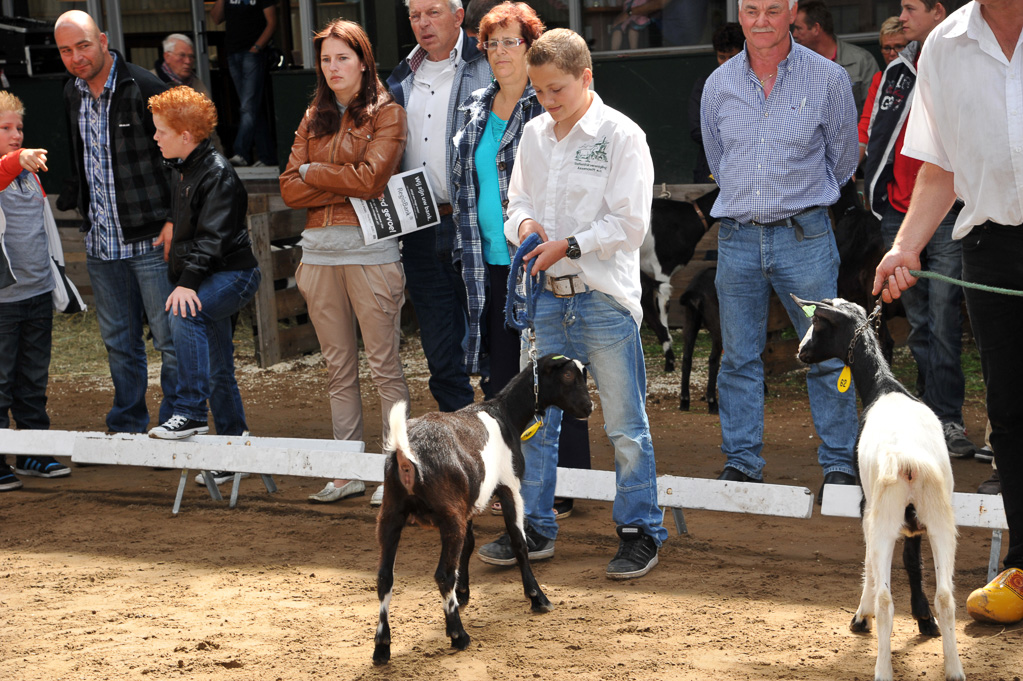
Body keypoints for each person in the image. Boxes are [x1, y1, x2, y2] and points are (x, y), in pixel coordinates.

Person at [477, 28, 668, 580]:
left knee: (626, 425)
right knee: (534, 422)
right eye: (538, 91)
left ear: (588, 78)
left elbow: (631, 223)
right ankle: (534, 526)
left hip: (603, 298)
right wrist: (528, 226)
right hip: (546, 298)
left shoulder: (621, 135)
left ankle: (640, 531)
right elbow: (516, 201)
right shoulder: (534, 134)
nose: (547, 101)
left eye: (557, 89)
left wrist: (570, 245)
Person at [872, 0, 1023, 626]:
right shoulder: (942, 46)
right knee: (1012, 413)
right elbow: (940, 167)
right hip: (991, 246)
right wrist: (905, 247)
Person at [700, 0, 859, 497]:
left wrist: (801, 203)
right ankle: (742, 462)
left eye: (773, 8)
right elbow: (716, 157)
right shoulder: (717, 85)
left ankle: (839, 465)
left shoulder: (828, 79)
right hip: (738, 240)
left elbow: (845, 158)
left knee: (829, 355)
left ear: (792, 11)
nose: (761, 19)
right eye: (751, 10)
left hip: (805, 238)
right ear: (740, 15)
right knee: (737, 357)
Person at [451, 1, 589, 521]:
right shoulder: (474, 107)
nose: (501, 52)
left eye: (513, 41)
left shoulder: (548, 104)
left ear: (532, 50)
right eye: (492, 42)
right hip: (482, 264)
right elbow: (464, 185)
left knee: (556, 375)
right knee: (502, 381)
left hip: (539, 266)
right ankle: (509, 483)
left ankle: (565, 487)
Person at [280, 20, 410, 504]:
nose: (333, 68)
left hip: (371, 252)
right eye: (326, 59)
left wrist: (315, 171)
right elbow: (289, 187)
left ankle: (392, 472)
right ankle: (345, 469)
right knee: (338, 366)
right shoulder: (313, 115)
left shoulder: (387, 112)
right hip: (317, 254)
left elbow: (373, 180)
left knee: (385, 366)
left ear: (363, 60)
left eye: (343, 57)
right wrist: (336, 175)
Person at [55, 10, 179, 436]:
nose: (76, 57)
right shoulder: (71, 92)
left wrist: (174, 219)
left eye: (83, 46)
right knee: (119, 343)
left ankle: (175, 423)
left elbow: (183, 156)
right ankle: (127, 423)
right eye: (66, 50)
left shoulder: (144, 86)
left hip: (149, 240)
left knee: (169, 340)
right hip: (102, 243)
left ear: (103, 40)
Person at [861, 0, 976, 459]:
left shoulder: (961, 61)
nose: (902, 17)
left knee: (946, 319)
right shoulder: (897, 70)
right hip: (898, 213)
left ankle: (948, 419)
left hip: (948, 212)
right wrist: (877, 190)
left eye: (911, 8)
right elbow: (875, 133)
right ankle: (930, 417)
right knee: (920, 323)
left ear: (939, 12)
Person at [386, 0, 492, 414]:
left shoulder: (486, 65)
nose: (423, 23)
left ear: (458, 15)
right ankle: (458, 433)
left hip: (474, 222)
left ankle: (501, 440)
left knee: (491, 336)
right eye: (415, 15)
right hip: (418, 225)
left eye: (433, 12)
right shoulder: (401, 77)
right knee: (439, 346)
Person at [145, 86, 260, 445]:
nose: (155, 136)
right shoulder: (186, 169)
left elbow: (213, 239)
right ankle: (232, 446)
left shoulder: (216, 173)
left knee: (184, 313)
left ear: (185, 135)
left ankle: (191, 412)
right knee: (219, 366)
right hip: (214, 273)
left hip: (233, 273)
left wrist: (187, 282)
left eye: (161, 130)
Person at [0, 93, 84, 491]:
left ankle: (32, 450)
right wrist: (16, 160)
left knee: (32, 379)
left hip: (35, 294)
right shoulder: (13, 166)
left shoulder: (28, 173)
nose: (16, 135)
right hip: (3, 302)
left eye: (19, 128)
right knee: (0, 380)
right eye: (5, 128)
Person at [210, 0, 277, 168]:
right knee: (252, 107)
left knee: (248, 107)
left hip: (252, 54)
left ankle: (241, 153)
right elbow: (216, 19)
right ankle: (267, 157)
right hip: (233, 54)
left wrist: (257, 47)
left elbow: (272, 22)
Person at [791, 0, 880, 114]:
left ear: (816, 28)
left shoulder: (862, 61)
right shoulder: (795, 65)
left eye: (799, 28)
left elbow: (873, 112)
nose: (794, 34)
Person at [688, 22, 744, 183]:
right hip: (711, 171)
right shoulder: (705, 85)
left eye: (732, 57)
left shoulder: (757, 85)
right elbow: (697, 130)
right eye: (721, 57)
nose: (726, 63)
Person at [856, 17, 907, 165]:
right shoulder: (879, 80)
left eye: (898, 47)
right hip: (885, 161)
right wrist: (851, 167)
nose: (892, 53)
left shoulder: (921, 75)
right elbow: (866, 123)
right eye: (886, 48)